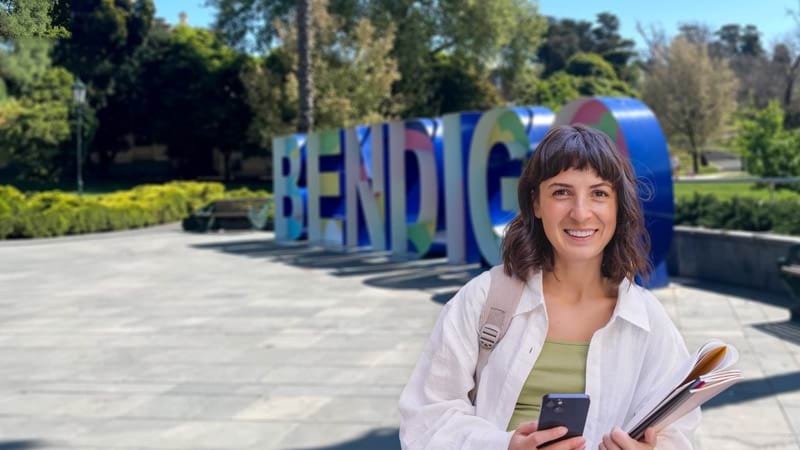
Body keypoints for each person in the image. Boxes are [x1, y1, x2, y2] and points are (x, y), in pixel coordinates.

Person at [398, 125, 700, 450]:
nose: (581, 213)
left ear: (617, 207)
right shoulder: (485, 299)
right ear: (536, 203)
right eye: (561, 192)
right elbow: (424, 419)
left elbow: (680, 432)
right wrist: (504, 446)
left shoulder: (647, 320)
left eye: (599, 193)